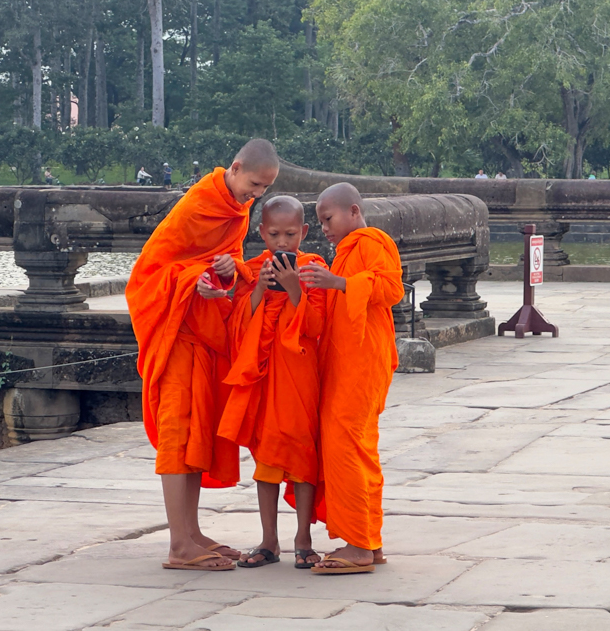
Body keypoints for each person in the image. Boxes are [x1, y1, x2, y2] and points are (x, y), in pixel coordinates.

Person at [125, 139, 279, 572]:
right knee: (178, 434)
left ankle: (191, 533)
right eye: (254, 184)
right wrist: (195, 279)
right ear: (235, 168)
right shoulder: (198, 205)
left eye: (265, 188)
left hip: (202, 327)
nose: (257, 195)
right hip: (176, 332)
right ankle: (178, 545)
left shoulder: (237, 207)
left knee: (197, 434)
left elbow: (224, 262)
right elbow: (150, 271)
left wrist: (228, 274)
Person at [299, 183, 404, 575]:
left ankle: (358, 544)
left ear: (354, 211)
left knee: (347, 444)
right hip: (346, 361)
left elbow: (391, 287)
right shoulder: (344, 254)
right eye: (320, 220)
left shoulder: (371, 241)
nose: (323, 227)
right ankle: (369, 540)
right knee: (357, 445)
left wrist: (339, 283)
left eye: (328, 218)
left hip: (363, 362)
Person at [219, 195, 328, 570]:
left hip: (299, 375)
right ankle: (269, 541)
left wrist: (295, 288)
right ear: (261, 232)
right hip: (265, 379)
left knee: (301, 455)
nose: (283, 243)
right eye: (276, 234)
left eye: (291, 234)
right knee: (265, 458)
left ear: (305, 232)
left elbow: (316, 328)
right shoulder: (252, 272)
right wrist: (264, 289)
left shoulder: (314, 269)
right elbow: (238, 327)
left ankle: (303, 539)